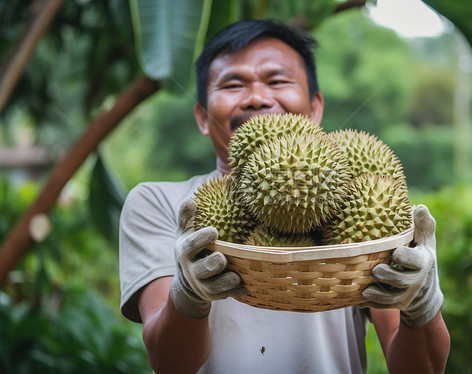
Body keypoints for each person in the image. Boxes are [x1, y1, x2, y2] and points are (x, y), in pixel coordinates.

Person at [119, 19, 450, 374]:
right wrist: (188, 295)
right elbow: (167, 363)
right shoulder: (161, 204)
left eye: (277, 81)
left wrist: (421, 303)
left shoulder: (357, 194)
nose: (258, 98)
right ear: (202, 116)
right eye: (232, 84)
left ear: (315, 109)